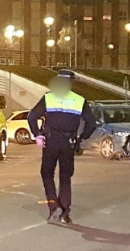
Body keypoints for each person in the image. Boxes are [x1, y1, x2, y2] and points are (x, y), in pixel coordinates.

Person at [27, 69, 97, 224]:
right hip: (69, 142)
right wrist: (81, 138)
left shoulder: (49, 98)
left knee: (47, 174)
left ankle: (54, 207)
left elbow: (32, 116)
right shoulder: (80, 100)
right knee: (65, 177)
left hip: (51, 141)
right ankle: (65, 212)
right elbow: (92, 123)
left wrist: (38, 134)